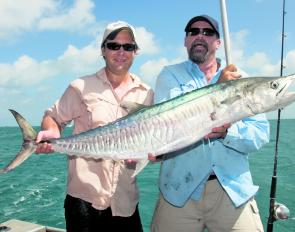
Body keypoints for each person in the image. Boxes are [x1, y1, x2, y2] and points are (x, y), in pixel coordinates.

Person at [150, 15, 270, 232]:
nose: (200, 36)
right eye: (193, 32)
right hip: (179, 192)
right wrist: (221, 91)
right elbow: (171, 126)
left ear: (218, 42)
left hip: (231, 190)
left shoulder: (241, 79)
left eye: (208, 32)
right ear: (185, 40)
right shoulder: (170, 75)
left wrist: (228, 131)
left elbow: (260, 134)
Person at [35, 21, 153, 232]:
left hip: (126, 204)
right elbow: (53, 116)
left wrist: (152, 152)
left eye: (128, 47)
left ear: (136, 52)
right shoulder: (80, 87)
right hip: (83, 203)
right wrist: (53, 130)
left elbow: (155, 139)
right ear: (103, 50)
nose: (121, 52)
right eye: (114, 45)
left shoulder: (146, 93)